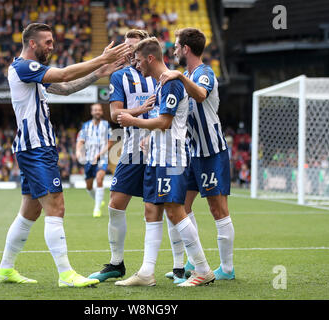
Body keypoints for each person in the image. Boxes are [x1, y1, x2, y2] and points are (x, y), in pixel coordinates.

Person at [0, 22, 129, 288]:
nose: (52, 46)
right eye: (48, 42)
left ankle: (5, 268)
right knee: (56, 207)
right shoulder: (23, 67)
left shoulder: (34, 74)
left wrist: (99, 72)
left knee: (29, 212)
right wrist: (101, 58)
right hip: (36, 149)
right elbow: (65, 75)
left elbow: (65, 88)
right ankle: (65, 273)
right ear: (32, 43)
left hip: (34, 148)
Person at [116, 37, 215, 287]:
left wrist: (133, 120)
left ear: (150, 58)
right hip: (157, 157)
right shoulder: (162, 85)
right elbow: (162, 125)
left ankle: (203, 269)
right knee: (151, 209)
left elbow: (165, 122)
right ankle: (147, 273)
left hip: (172, 158)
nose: (136, 65)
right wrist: (149, 139)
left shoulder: (171, 83)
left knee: (174, 210)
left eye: (138, 61)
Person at [160, 28, 235, 280]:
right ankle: (194, 263)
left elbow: (201, 95)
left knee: (217, 208)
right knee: (180, 205)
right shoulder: (186, 75)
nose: (174, 50)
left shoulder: (204, 73)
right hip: (191, 152)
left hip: (211, 151)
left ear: (186, 49)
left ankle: (226, 269)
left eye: (176, 46)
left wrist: (180, 79)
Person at [87, 29, 157, 282]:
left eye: (134, 47)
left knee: (161, 207)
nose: (129, 52)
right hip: (131, 149)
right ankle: (116, 263)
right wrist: (140, 109)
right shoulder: (119, 76)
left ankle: (180, 266)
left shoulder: (162, 74)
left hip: (160, 148)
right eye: (127, 47)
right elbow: (115, 114)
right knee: (116, 204)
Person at [76, 103, 113, 218]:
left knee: (99, 178)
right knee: (89, 186)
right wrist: (78, 151)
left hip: (102, 157)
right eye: (95, 110)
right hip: (89, 158)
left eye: (99, 110)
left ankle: (97, 209)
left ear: (101, 112)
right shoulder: (86, 126)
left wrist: (100, 154)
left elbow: (110, 141)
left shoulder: (106, 125)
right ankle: (98, 199)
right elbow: (80, 141)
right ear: (92, 112)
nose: (97, 112)